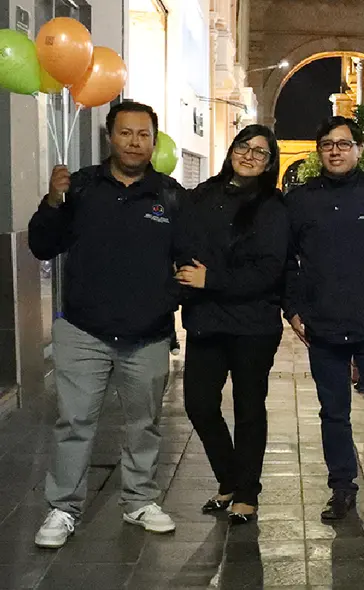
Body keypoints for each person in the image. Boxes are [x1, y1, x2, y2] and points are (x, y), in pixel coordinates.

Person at [28, 101, 184, 548]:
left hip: (147, 334)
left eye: (143, 135)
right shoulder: (78, 188)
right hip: (82, 331)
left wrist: (166, 302)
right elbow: (42, 245)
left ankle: (139, 500)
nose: (134, 142)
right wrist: (53, 200)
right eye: (125, 133)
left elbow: (190, 259)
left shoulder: (171, 196)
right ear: (110, 138)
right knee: (74, 422)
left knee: (144, 423)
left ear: (154, 142)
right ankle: (63, 508)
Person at [284, 116, 364, 524]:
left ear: (359, 149)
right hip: (322, 328)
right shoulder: (300, 200)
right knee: (333, 414)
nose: (335, 151)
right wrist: (292, 309)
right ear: (319, 151)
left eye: (343, 144)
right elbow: (286, 262)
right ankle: (341, 488)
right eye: (327, 144)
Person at [174, 125, 286, 524]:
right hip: (207, 320)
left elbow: (269, 270)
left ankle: (246, 493)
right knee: (200, 405)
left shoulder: (273, 206)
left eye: (261, 152)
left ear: (270, 162)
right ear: (232, 149)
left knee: (248, 408)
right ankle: (229, 479)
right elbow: (184, 244)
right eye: (244, 146)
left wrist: (213, 278)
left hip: (253, 324)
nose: (250, 155)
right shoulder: (203, 195)